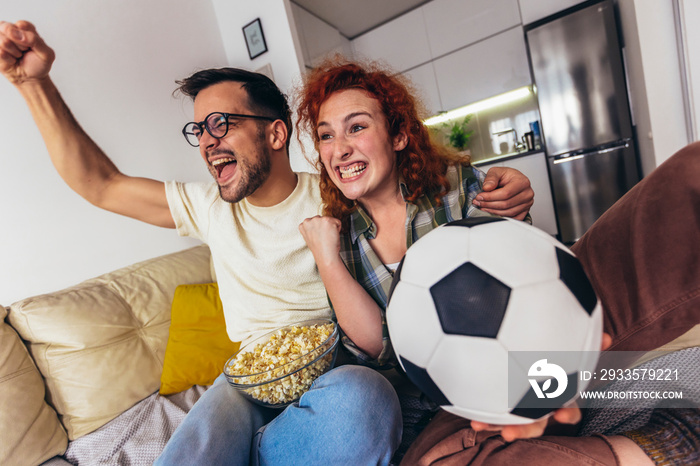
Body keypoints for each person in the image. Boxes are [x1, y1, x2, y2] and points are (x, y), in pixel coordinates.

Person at [0, 21, 535, 465]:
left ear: (275, 134)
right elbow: (100, 183)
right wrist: (33, 85)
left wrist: (499, 184)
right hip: (249, 378)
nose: (208, 141)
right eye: (198, 131)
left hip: (337, 372)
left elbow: (407, 188)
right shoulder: (206, 207)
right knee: (187, 453)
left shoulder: (337, 197)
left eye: (221, 124)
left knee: (363, 404)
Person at [295, 57, 700, 465]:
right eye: (325, 136)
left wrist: (516, 211)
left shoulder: (456, 188)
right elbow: (379, 344)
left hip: (534, 362)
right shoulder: (338, 239)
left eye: (357, 127)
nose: (340, 149)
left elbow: (525, 263)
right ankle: (672, 443)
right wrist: (326, 258)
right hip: (445, 412)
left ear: (398, 135)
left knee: (688, 177)